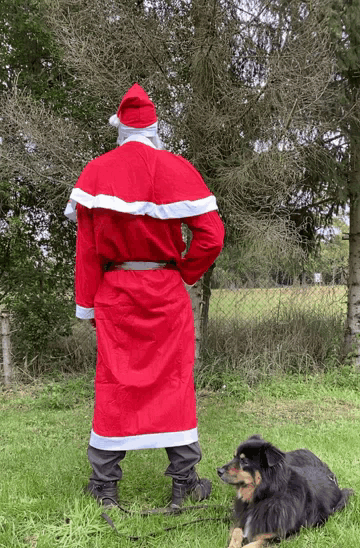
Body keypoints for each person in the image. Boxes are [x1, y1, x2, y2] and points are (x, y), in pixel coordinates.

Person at [65, 83, 225, 508]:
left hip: (116, 292)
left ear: (120, 129)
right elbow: (211, 237)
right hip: (166, 291)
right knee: (175, 381)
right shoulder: (177, 167)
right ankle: (184, 483)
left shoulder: (96, 172)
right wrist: (184, 273)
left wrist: (87, 305)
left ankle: (105, 487)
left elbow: (86, 251)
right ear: (155, 128)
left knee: (114, 381)